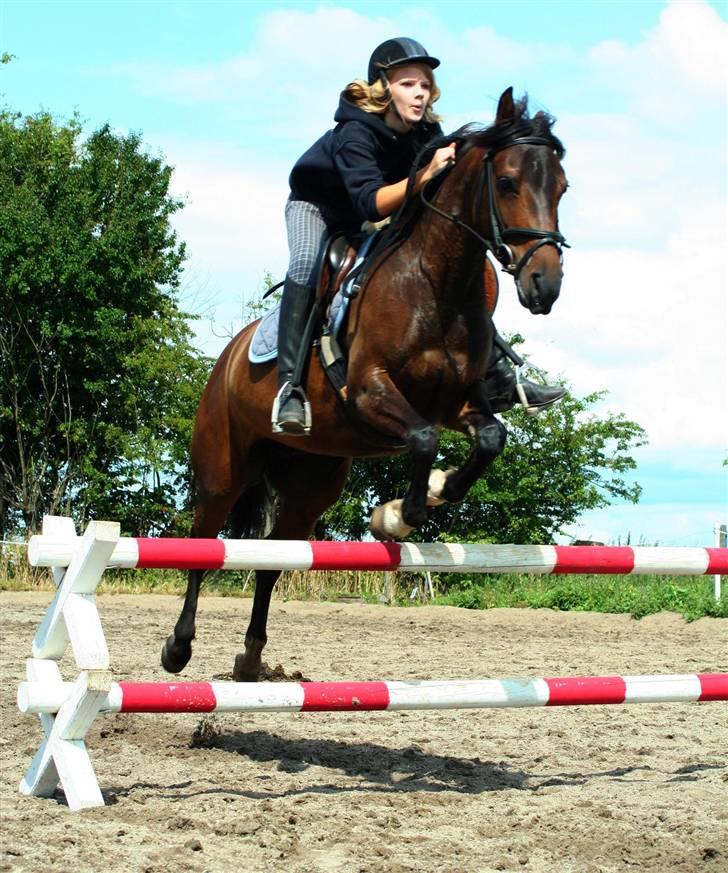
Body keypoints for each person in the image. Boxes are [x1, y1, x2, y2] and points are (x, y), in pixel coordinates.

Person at [274, 37, 564, 435]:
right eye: (408, 84)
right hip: (321, 209)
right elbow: (371, 204)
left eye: (425, 85)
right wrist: (425, 175)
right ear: (384, 87)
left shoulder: (426, 128)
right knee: (307, 263)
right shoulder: (354, 132)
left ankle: (498, 374)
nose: (420, 94)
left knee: (447, 262)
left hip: (384, 208)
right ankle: (289, 388)